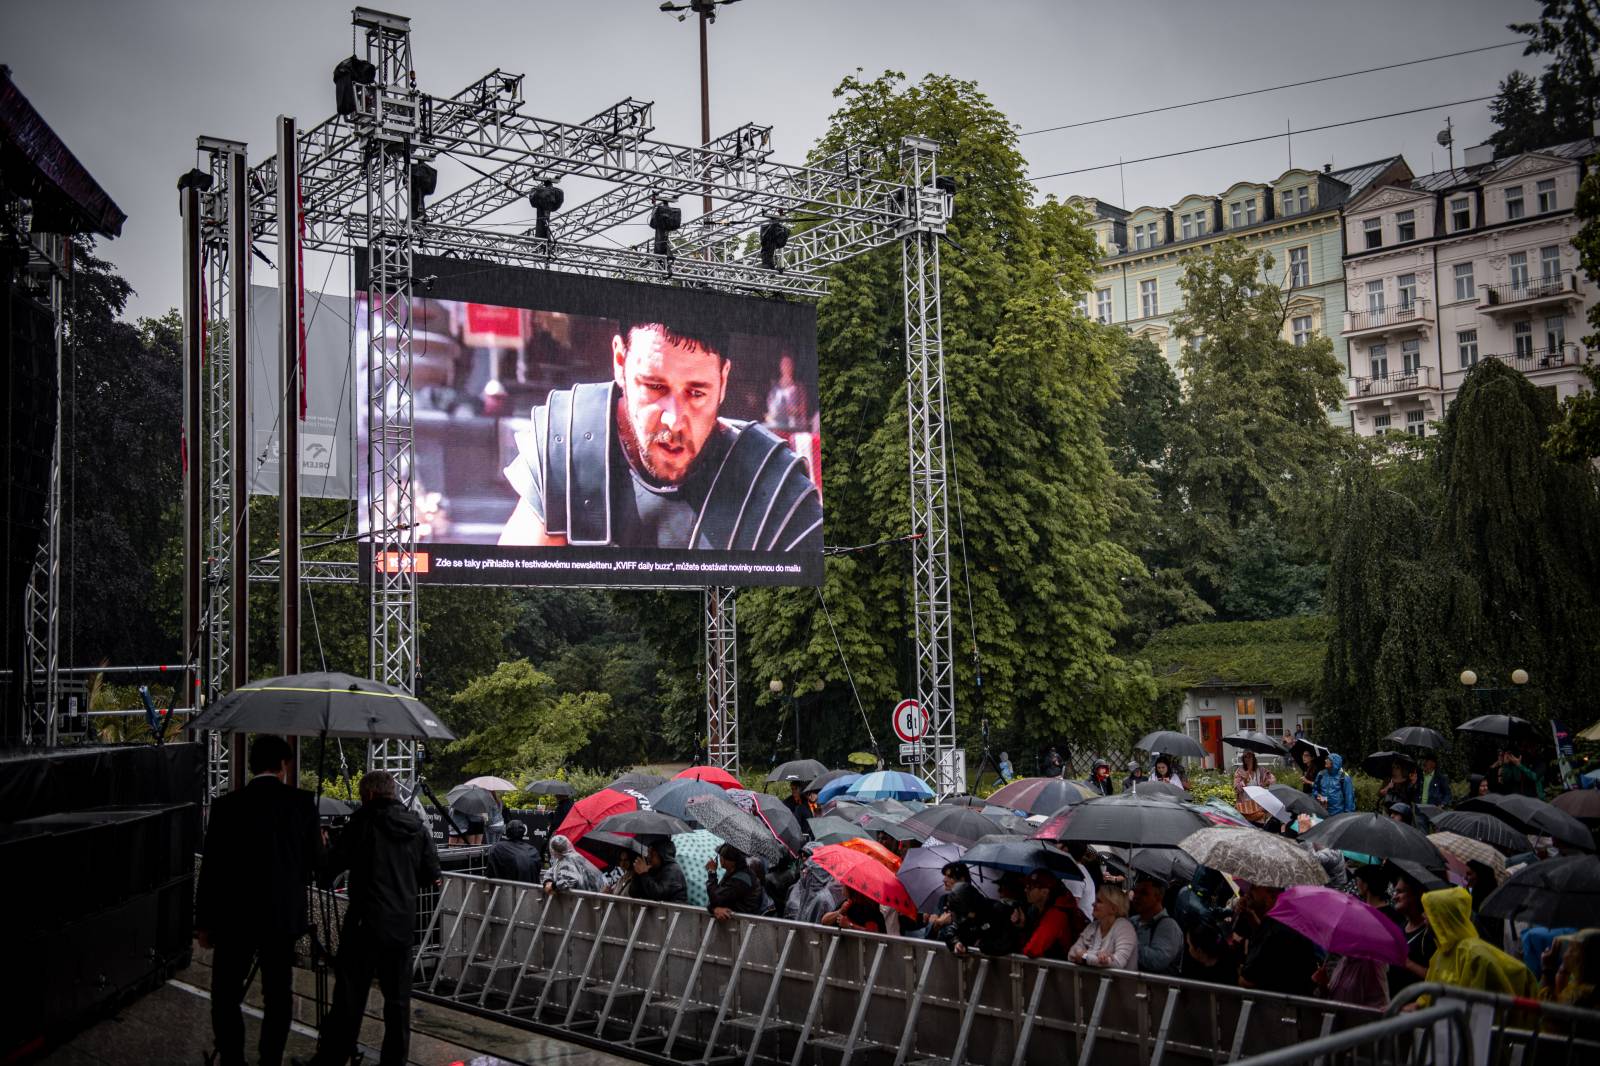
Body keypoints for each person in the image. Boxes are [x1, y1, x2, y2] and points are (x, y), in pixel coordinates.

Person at [499, 321, 822, 550]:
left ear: (723, 381)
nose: (674, 419)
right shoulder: (567, 439)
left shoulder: (775, 485)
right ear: (620, 361)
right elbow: (513, 595)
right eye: (655, 387)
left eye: (696, 393)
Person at [194, 736, 320, 1066]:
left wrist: (204, 923)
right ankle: (270, 1060)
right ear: (282, 765)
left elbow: (212, 869)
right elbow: (315, 865)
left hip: (233, 918)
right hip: (281, 919)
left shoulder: (227, 806)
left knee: (224, 995)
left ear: (252, 765)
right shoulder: (303, 804)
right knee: (278, 997)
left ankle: (233, 1060)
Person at [308, 771, 442, 1066]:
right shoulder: (416, 827)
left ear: (368, 795)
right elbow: (431, 876)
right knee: (398, 1002)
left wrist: (322, 844)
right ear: (392, 792)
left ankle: (332, 1058)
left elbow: (329, 868)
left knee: (349, 997)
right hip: (402, 926)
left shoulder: (362, 823)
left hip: (364, 924)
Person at [1418, 886, 1537, 1000]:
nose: (1423, 916)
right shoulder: (1441, 953)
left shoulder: (1474, 955)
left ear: (1442, 917)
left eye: (1429, 912)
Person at [1236, 884, 1321, 997]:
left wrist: (1235, 971)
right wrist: (1251, 917)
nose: (1249, 891)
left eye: (1254, 887)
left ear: (1271, 896)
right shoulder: (1287, 915)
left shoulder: (1275, 927)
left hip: (1281, 1007)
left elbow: (1247, 981)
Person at [1385, 866, 1440, 999]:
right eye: (1395, 892)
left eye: (1400, 892)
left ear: (1416, 894)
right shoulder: (1400, 927)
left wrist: (1407, 963)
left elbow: (1437, 979)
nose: (1394, 897)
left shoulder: (1430, 934)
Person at [1068, 883, 1138, 969]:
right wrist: (1098, 956)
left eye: (1099, 901)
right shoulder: (1093, 926)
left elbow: (1118, 962)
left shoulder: (1125, 927)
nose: (1093, 904)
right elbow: (1071, 954)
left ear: (1113, 909)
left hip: (1119, 982)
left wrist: (1085, 956)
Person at [1019, 871, 1084, 960]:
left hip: (1060, 969)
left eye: (1030, 887)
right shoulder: (1037, 910)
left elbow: (1033, 949)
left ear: (1044, 892)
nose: (1025, 890)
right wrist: (1022, 925)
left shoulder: (1056, 916)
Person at [1129, 877, 1183, 975]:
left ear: (1159, 897)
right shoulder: (1133, 921)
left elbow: (1157, 961)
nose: (1136, 897)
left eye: (1144, 893)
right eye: (1135, 892)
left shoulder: (1169, 927)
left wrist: (1126, 944)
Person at [939, 882, 1010, 955]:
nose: (965, 917)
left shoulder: (998, 911)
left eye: (966, 913)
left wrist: (981, 945)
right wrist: (956, 943)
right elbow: (952, 929)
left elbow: (1007, 943)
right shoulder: (964, 916)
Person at [617, 840, 688, 903]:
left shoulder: (673, 870)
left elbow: (659, 894)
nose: (649, 857)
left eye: (652, 854)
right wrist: (637, 873)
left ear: (662, 855)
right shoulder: (653, 869)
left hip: (674, 914)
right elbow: (634, 893)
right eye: (648, 853)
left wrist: (644, 874)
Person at [705, 843, 763, 919]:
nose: (719, 858)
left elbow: (716, 899)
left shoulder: (741, 878)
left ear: (730, 861)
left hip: (743, 924)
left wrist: (712, 872)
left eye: (722, 856)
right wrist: (714, 908)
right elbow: (716, 898)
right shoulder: (732, 873)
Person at [918, 862, 971, 937]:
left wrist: (951, 920)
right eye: (945, 876)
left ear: (962, 879)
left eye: (949, 877)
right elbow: (928, 934)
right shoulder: (943, 900)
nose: (944, 880)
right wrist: (938, 923)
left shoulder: (974, 902)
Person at [763, 353, 809, 432]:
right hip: (775, 425)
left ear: (792, 366)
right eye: (784, 364)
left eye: (788, 364)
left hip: (792, 425)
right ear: (780, 366)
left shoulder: (798, 387)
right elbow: (770, 409)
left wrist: (793, 411)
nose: (786, 366)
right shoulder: (774, 388)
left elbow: (803, 411)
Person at [1233, 752, 1276, 825]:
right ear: (1243, 759)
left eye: (1250, 756)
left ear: (1253, 758)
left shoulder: (1261, 770)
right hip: (1245, 807)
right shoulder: (1239, 772)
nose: (1248, 759)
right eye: (1246, 757)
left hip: (1258, 806)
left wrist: (1266, 783)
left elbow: (1273, 780)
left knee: (1259, 827)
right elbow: (1237, 789)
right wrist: (1245, 780)